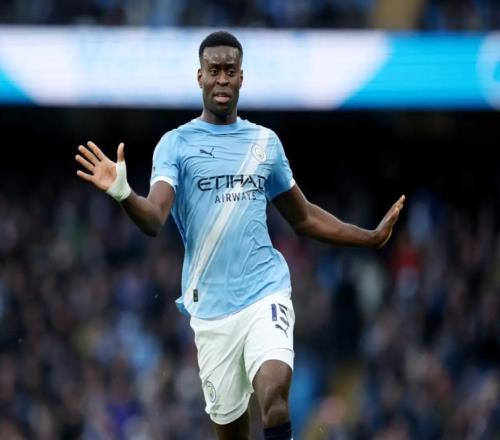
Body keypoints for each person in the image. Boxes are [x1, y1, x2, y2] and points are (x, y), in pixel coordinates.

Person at [75, 30, 405, 440]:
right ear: (199, 76)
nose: (222, 79)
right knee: (232, 431)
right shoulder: (175, 145)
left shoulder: (265, 143)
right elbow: (154, 219)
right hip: (211, 313)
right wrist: (123, 193)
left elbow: (303, 217)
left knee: (275, 393)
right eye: (214, 70)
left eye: (230, 70)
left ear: (241, 77)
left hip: (265, 292)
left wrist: (369, 237)